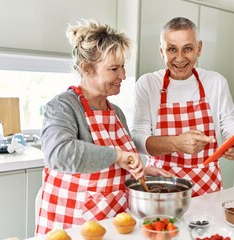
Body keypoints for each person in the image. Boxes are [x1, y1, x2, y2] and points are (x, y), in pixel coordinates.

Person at [36, 19, 171, 235]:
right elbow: (58, 154)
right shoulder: (64, 106)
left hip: (113, 221)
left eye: (123, 66)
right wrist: (118, 156)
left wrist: (138, 170)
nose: (123, 76)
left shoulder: (116, 112)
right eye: (114, 69)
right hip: (72, 225)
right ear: (87, 68)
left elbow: (112, 166)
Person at [131, 17, 234, 197]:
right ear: (161, 51)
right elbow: (137, 140)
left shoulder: (216, 82)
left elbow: (230, 123)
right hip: (161, 184)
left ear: (199, 49)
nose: (180, 58)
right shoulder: (148, 84)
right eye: (172, 49)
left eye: (188, 49)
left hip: (208, 185)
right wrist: (176, 143)